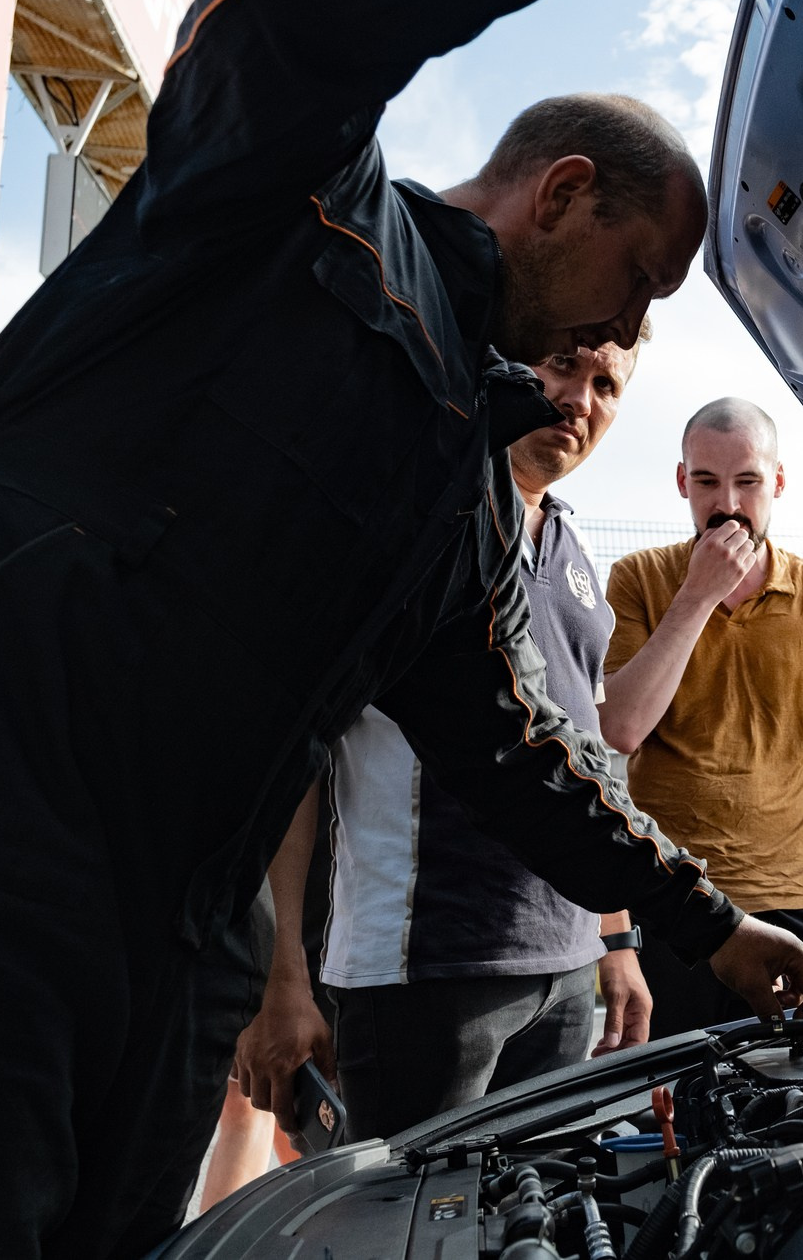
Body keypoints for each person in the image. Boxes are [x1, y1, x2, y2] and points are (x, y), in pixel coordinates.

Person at [0, 0, 803, 1257]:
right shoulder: (296, 197)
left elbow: (518, 747)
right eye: (635, 283)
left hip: (179, 936)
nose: (620, 336)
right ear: (561, 194)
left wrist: (704, 922)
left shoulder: (464, 489)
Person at [234, 337, 656, 1141]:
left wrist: (616, 937)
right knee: (408, 1212)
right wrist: (279, 973)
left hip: (566, 975)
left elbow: (591, 760)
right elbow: (297, 761)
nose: (579, 398)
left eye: (606, 383)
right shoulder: (411, 520)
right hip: (426, 972)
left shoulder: (574, 554)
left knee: (542, 1207)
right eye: (563, 364)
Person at [600, 399, 803, 1035]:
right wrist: (698, 594)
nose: (727, 503)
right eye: (706, 481)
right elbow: (623, 729)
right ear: (682, 482)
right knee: (684, 1094)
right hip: (675, 903)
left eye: (747, 481)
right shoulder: (639, 578)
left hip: (802, 908)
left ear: (777, 482)